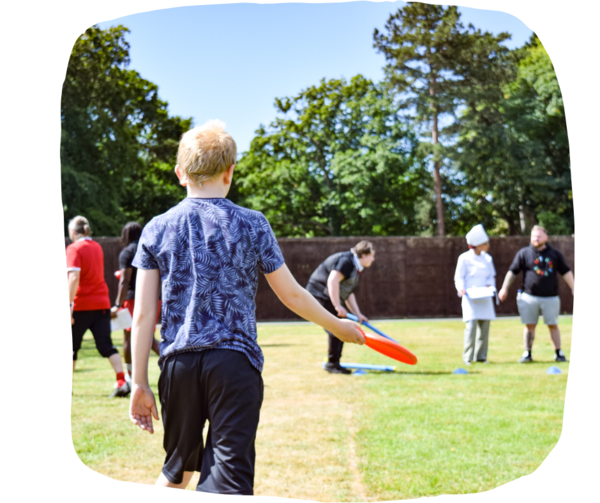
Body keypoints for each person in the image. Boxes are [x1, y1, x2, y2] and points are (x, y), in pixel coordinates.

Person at [128, 120, 365, 495]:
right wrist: (337, 325)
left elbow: (142, 315)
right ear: (230, 171)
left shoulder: (156, 228)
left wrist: (138, 382)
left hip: (178, 366)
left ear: (179, 174)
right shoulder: (253, 224)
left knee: (178, 471)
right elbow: (292, 294)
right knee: (227, 480)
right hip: (233, 365)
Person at [67, 215, 129, 398]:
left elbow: (73, 277)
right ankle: (122, 381)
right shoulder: (97, 247)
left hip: (80, 305)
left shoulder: (74, 248)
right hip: (101, 304)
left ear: (73, 231)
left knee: (70, 347)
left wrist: (68, 304)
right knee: (106, 346)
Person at [498, 225, 574, 363]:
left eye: (539, 236)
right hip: (529, 296)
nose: (536, 239)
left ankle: (558, 353)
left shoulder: (554, 254)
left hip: (550, 297)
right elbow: (512, 271)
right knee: (529, 325)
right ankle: (527, 353)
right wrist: (504, 288)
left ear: (546, 237)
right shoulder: (524, 253)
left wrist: (574, 288)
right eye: (533, 236)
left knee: (553, 324)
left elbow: (566, 271)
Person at [306, 241, 375, 374]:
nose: (373, 258)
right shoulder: (347, 261)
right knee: (336, 328)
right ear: (364, 255)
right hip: (319, 294)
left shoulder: (355, 266)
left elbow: (348, 293)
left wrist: (358, 314)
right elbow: (332, 281)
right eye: (371, 255)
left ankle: (334, 363)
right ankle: (332, 364)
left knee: (339, 327)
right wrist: (337, 306)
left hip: (329, 296)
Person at [111, 222, 161, 384]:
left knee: (130, 335)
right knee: (148, 336)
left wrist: (118, 304)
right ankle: (169, 361)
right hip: (155, 297)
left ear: (126, 235)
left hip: (134, 298)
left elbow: (125, 281)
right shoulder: (150, 248)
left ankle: (131, 375)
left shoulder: (127, 252)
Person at [454, 224, 496, 365]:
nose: (487, 246)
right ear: (478, 245)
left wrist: (490, 285)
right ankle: (468, 357)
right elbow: (459, 277)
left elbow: (491, 276)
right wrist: (461, 288)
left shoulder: (488, 259)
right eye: (485, 243)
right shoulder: (464, 258)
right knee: (470, 328)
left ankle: (481, 356)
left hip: (485, 297)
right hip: (470, 297)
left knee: (484, 329)